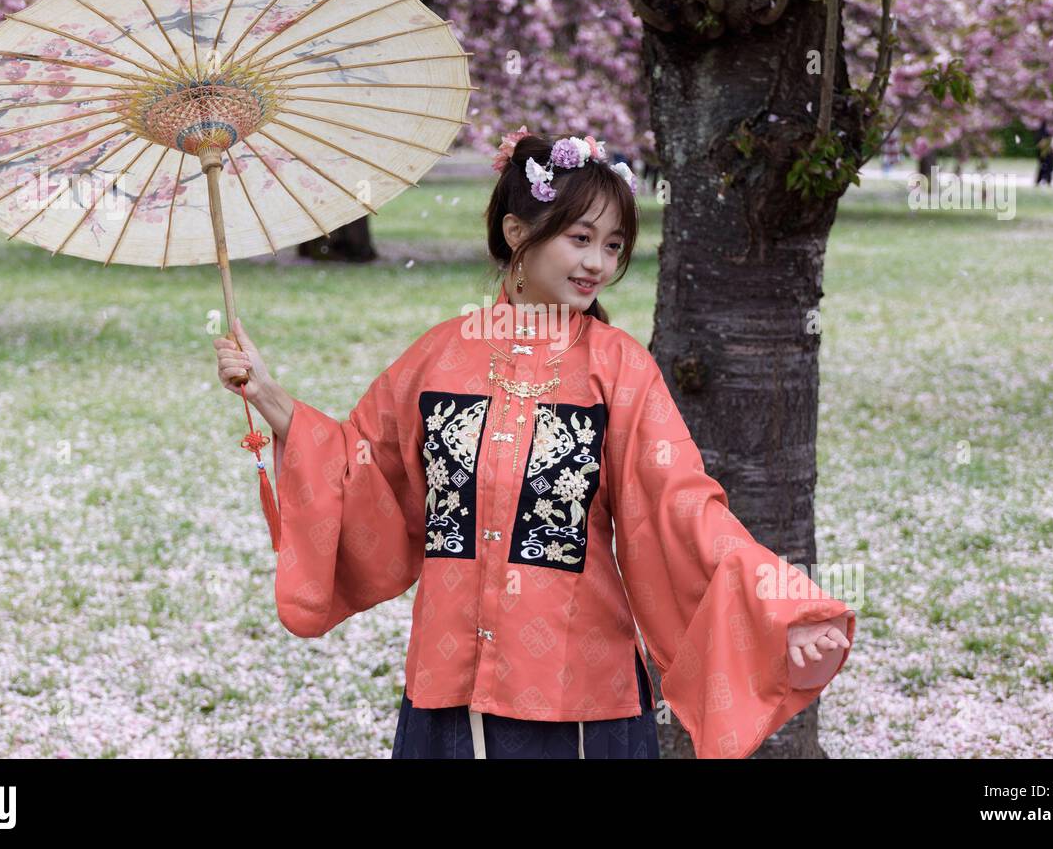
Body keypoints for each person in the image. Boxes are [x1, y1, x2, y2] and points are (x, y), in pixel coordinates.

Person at [213, 129, 857, 759]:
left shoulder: (619, 369)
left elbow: (681, 503)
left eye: (612, 245)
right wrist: (268, 394)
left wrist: (780, 601)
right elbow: (360, 466)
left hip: (577, 694)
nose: (598, 263)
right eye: (580, 239)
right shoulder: (441, 355)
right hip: (449, 682)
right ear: (518, 233)